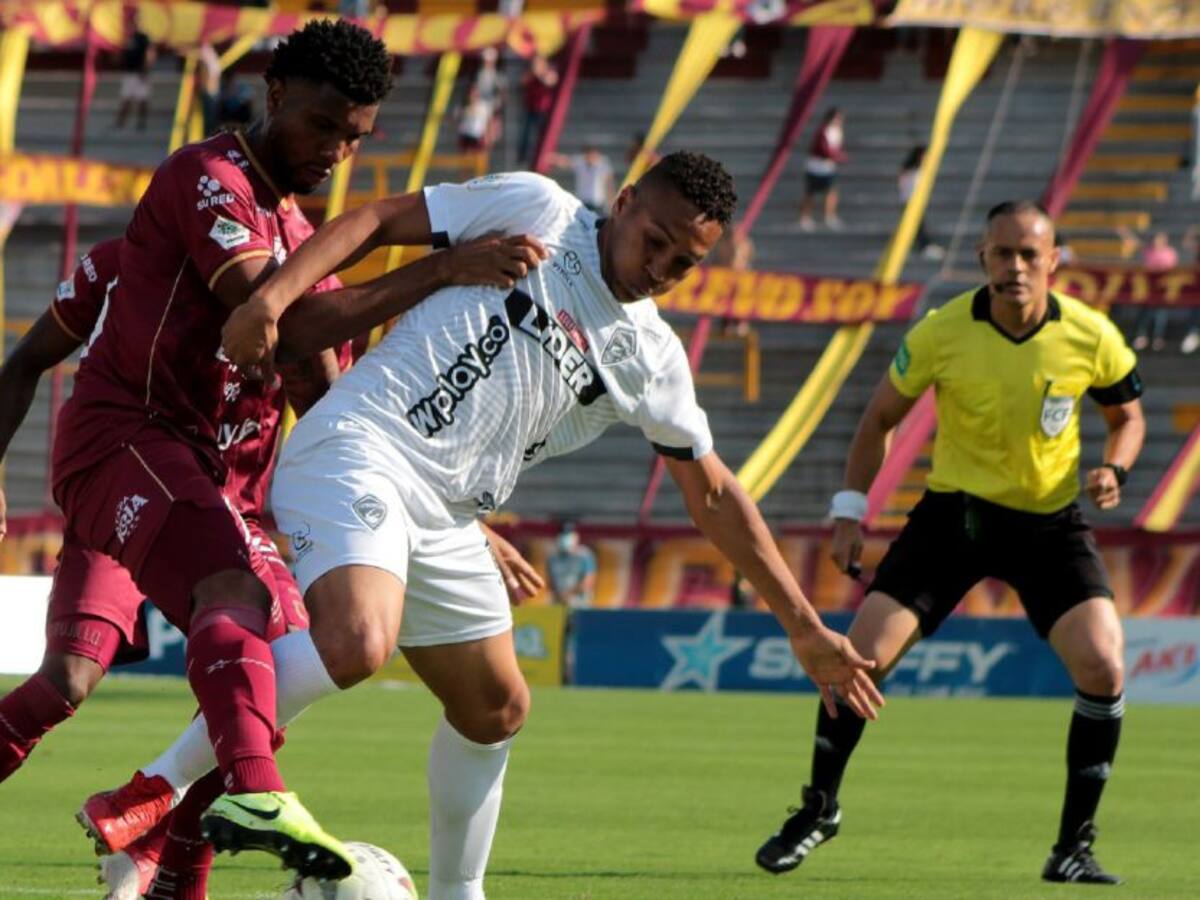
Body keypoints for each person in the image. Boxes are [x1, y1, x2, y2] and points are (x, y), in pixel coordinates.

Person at [112, 152, 884, 900]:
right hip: (362, 446)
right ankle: (155, 793)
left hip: (450, 517)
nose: (660, 268)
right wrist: (271, 301)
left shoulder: (652, 357)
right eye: (656, 240)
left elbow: (714, 495)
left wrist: (804, 626)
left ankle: (459, 892)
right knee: (356, 642)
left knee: (497, 710)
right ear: (625, 203)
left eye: (684, 263)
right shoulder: (537, 207)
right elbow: (378, 218)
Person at [31, 19, 542, 883]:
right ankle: (248, 794)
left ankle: (159, 845)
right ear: (273, 95)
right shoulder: (210, 181)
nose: (338, 149)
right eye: (324, 124)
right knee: (102, 665)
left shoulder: (300, 234)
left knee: (270, 675)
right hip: (131, 440)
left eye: (356, 136)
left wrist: (442, 513)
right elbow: (283, 323)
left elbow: (328, 392)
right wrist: (440, 269)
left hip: (220, 485)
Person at [755, 200, 1144, 886]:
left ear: (1055, 260)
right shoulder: (942, 333)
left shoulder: (1092, 335)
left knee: (1105, 667)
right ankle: (818, 808)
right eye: (1003, 253)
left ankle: (1072, 848)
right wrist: (850, 510)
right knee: (859, 663)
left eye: (1030, 254)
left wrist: (1116, 465)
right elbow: (878, 417)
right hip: (953, 521)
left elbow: (1128, 417)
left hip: (1049, 524)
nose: (1016, 267)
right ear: (982, 259)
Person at [1119, 229, 1178, 351]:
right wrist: (1126, 234)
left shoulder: (1169, 253)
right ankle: (1142, 336)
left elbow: (1172, 269)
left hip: (1163, 289)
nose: (1156, 242)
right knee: (1145, 311)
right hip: (1149, 288)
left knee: (1161, 313)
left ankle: (1157, 337)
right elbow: (1135, 243)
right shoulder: (1148, 251)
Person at [798, 107, 847, 232]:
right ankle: (805, 217)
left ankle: (829, 216)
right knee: (810, 194)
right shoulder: (823, 131)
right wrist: (837, 156)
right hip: (815, 167)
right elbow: (823, 149)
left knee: (831, 192)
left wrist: (837, 156)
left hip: (828, 168)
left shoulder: (838, 132)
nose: (838, 121)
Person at [898, 145, 943, 259]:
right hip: (910, 201)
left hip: (915, 202)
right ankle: (924, 247)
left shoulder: (919, 170)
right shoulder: (911, 170)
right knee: (918, 227)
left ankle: (924, 246)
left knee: (919, 225)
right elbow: (905, 186)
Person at [517, 54, 558, 166]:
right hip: (529, 108)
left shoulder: (549, 71)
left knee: (542, 135)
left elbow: (551, 82)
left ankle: (544, 155)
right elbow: (522, 82)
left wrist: (540, 73)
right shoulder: (530, 73)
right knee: (526, 134)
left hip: (543, 110)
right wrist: (532, 74)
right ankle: (523, 158)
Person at [550, 145, 614, 214]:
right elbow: (566, 161)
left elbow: (608, 184)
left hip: (597, 201)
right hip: (583, 200)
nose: (591, 158)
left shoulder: (603, 164)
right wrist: (552, 158)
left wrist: (610, 200)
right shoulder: (580, 162)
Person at [546, 521, 597, 607]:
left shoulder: (585, 555)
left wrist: (569, 594)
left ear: (576, 536)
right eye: (563, 534)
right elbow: (550, 582)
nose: (565, 538)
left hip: (579, 603)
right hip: (558, 602)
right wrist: (560, 595)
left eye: (568, 534)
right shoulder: (552, 558)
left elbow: (589, 581)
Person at [115, 30, 155, 131]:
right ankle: (121, 122)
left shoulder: (143, 37)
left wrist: (146, 69)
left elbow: (150, 52)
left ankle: (141, 123)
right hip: (129, 73)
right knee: (126, 98)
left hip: (140, 73)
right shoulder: (125, 35)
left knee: (142, 99)